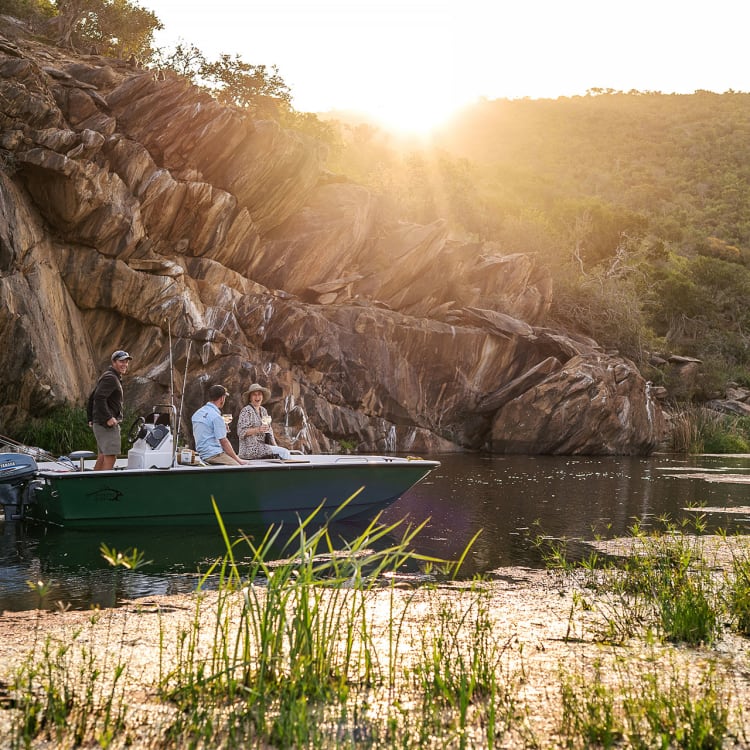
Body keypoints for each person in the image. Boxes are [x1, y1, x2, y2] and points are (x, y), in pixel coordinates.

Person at [87, 350, 131, 471]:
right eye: (121, 361)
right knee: (110, 456)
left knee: (102, 456)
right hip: (106, 424)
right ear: (114, 362)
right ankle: (105, 485)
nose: (125, 364)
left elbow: (92, 397)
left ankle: (94, 484)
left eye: (126, 361)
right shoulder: (111, 378)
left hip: (100, 423)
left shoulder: (110, 376)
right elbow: (98, 397)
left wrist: (90, 418)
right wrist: (108, 417)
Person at [191, 384, 248, 465]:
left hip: (202, 455)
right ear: (222, 398)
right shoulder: (216, 417)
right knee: (238, 468)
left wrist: (221, 428)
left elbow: (205, 432)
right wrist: (238, 460)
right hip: (214, 455)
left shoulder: (197, 414)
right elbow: (224, 442)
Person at [237, 383, 291, 460]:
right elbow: (241, 432)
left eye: (259, 394)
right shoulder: (246, 411)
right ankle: (288, 471)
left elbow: (269, 431)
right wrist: (257, 430)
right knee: (284, 452)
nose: (257, 397)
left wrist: (275, 446)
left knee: (281, 451)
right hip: (249, 450)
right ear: (250, 398)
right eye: (254, 395)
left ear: (262, 397)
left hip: (262, 447)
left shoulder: (263, 410)